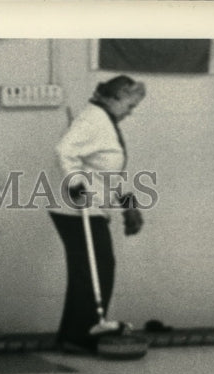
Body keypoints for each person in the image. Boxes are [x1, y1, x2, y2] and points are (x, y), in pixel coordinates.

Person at [50, 75, 146, 354]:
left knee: (92, 268)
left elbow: (108, 172)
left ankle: (74, 334)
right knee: (95, 268)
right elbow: (63, 150)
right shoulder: (94, 119)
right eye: (130, 104)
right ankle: (80, 334)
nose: (131, 111)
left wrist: (128, 204)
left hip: (88, 208)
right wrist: (76, 184)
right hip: (77, 208)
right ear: (115, 97)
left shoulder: (104, 120)